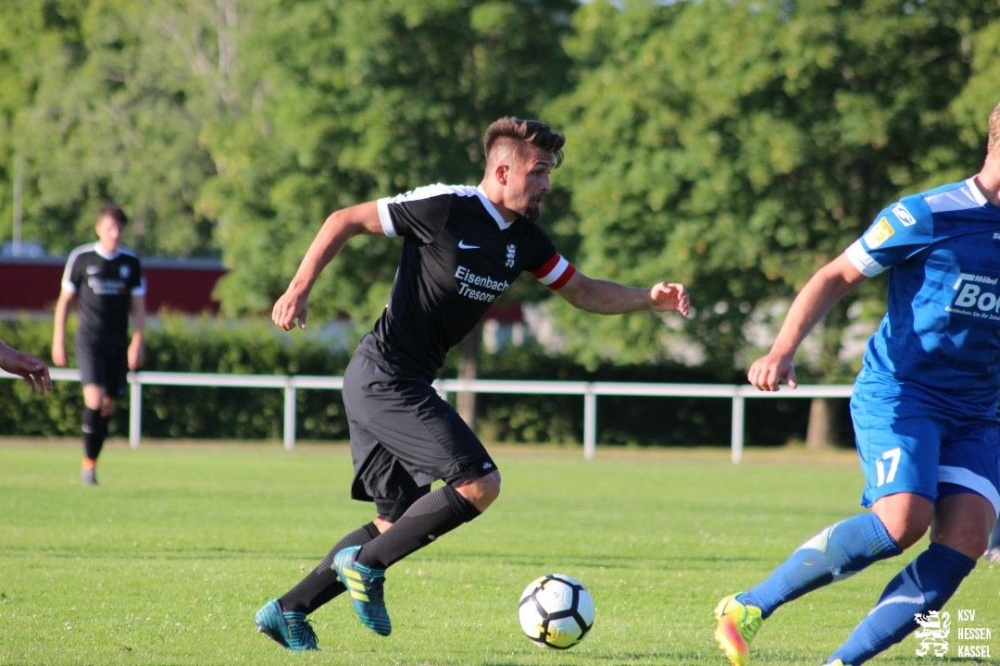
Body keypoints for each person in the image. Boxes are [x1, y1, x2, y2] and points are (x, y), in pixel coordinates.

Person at [254, 116, 691, 650]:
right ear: (503, 171)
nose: (547, 184)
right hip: (384, 377)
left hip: (398, 380)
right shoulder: (445, 207)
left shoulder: (524, 240)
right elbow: (343, 219)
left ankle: (288, 610)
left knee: (395, 524)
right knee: (479, 483)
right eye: (539, 172)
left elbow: (582, 291)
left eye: (550, 173)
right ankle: (364, 565)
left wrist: (648, 299)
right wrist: (299, 289)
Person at [714, 100, 1000, 666]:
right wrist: (782, 349)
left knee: (967, 537)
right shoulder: (928, 214)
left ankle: (841, 663)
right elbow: (837, 274)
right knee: (902, 521)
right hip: (904, 392)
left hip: (981, 410)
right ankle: (748, 606)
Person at [52, 203, 146, 486]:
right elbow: (64, 301)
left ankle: (91, 463)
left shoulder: (131, 262)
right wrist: (58, 338)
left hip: (117, 342)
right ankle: (88, 467)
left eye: (119, 228)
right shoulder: (81, 258)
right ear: (98, 229)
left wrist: (137, 341)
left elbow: (139, 307)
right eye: (109, 228)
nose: (114, 233)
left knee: (106, 406)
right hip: (89, 341)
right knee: (94, 400)